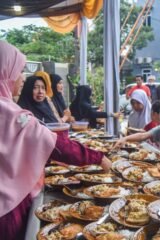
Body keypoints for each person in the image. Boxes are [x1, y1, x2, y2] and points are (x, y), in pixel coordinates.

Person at [0, 40, 112, 240]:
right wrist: (98, 158)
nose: (22, 77)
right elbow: (54, 144)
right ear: (4, 72)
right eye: (18, 70)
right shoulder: (8, 112)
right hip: (6, 209)